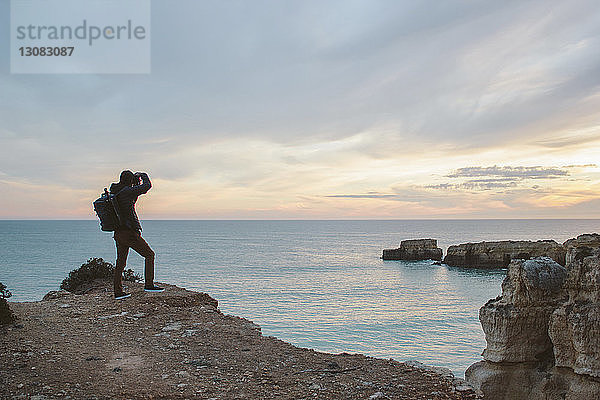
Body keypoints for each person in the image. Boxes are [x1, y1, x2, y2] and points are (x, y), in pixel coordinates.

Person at [110, 170, 164, 299]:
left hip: (118, 233)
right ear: (129, 180)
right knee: (149, 255)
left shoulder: (116, 191)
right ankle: (149, 285)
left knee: (120, 262)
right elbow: (147, 186)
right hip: (129, 233)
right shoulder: (127, 192)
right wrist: (142, 175)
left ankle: (118, 292)